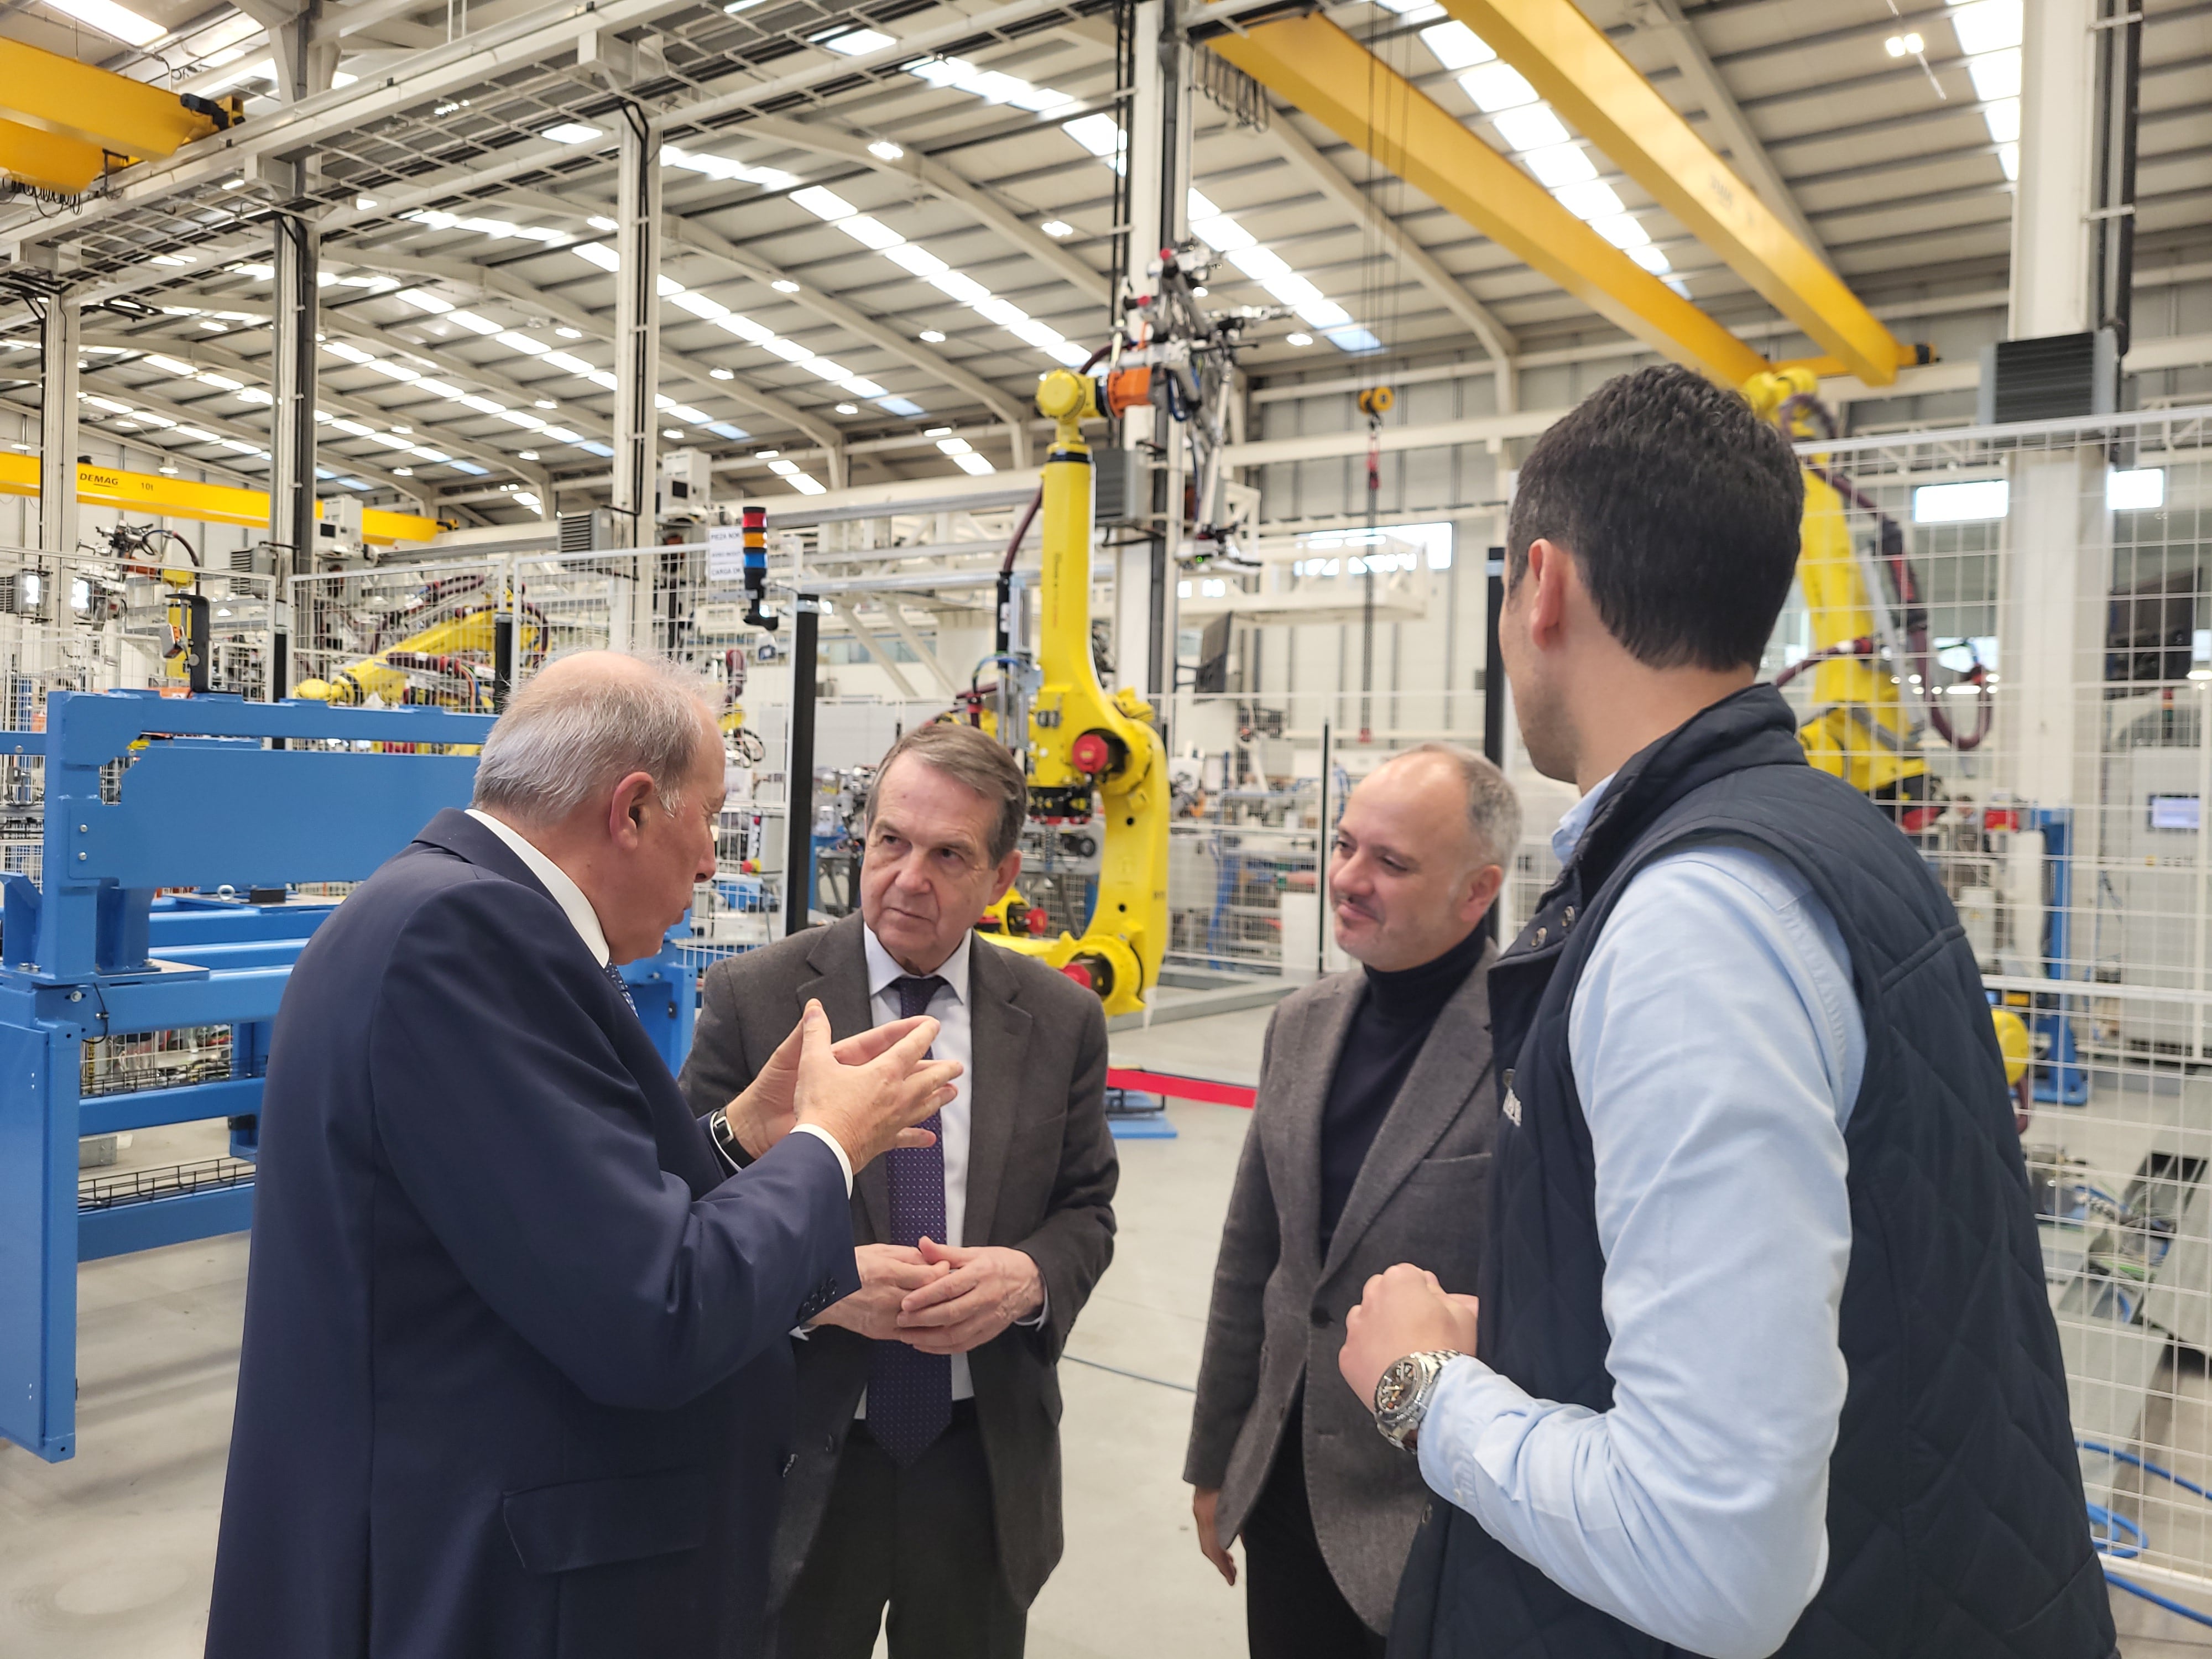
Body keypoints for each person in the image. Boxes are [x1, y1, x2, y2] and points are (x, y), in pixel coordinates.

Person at [1338, 365, 2116, 1659]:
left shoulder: (1686, 926)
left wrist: (1427, 1395)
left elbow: (1714, 1561)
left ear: (1541, 587)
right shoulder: (1827, 842)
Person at [205, 652, 959, 1659]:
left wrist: (743, 1138)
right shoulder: (467, 938)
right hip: (491, 1583)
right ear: (634, 809)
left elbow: (555, 1223)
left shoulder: (440, 912)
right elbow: (656, 1312)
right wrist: (830, 1144)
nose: (709, 862)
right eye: (709, 817)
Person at [680, 721, 1118, 1659]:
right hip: (798, 1456)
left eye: (949, 854)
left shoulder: (1060, 1020)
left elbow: (1086, 1209)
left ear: (1002, 879)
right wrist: (820, 1293)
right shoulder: (756, 1000)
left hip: (981, 1463)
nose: (908, 877)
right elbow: (684, 1209)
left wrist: (1026, 1279)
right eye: (891, 841)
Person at [1185, 744, 1518, 1658]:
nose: (1349, 879)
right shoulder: (1303, 1023)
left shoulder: (1532, 1049)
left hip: (1437, 1514)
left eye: (1391, 863)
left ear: (1477, 890)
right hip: (1286, 1493)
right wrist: (1216, 1461)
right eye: (1344, 847)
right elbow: (1255, 1258)